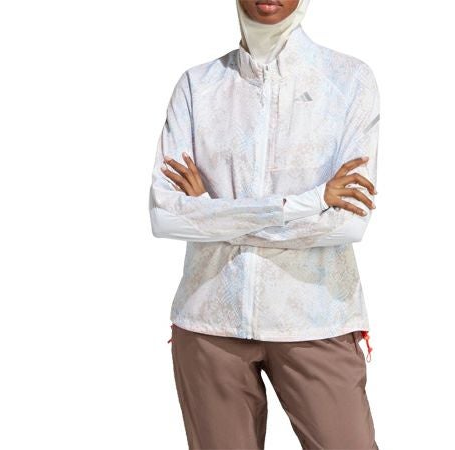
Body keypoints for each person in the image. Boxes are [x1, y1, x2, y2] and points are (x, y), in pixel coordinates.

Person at [148, 0, 381, 448]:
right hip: (209, 321)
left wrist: (209, 211)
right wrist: (310, 202)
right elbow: (165, 216)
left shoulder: (348, 80)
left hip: (316, 320)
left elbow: (346, 225)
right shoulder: (198, 86)